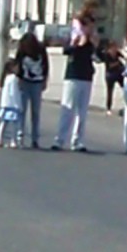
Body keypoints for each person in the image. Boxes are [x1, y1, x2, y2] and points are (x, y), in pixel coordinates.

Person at [0, 26, 44, 149]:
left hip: (37, 82)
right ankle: (19, 136)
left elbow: (45, 66)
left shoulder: (41, 51)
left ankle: (35, 139)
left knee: (35, 112)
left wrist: (45, 80)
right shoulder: (21, 52)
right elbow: (16, 66)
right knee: (21, 111)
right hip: (24, 82)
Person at [56, 12, 97, 152]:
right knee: (67, 108)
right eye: (88, 26)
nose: (91, 29)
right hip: (73, 76)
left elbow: (99, 56)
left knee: (82, 111)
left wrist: (94, 44)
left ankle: (78, 141)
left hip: (86, 77)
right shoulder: (75, 37)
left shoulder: (92, 40)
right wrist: (77, 44)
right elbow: (66, 51)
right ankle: (60, 140)